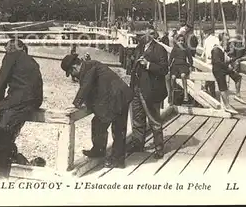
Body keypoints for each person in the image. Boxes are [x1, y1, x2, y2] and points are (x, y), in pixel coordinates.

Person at [61, 54, 133, 168]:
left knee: (118, 130)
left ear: (74, 67)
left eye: (71, 72)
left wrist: (76, 103)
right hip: (116, 97)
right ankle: (98, 150)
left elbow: (86, 87)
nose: (73, 76)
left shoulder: (90, 67)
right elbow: (93, 89)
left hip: (119, 97)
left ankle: (117, 160)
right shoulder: (89, 67)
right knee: (98, 123)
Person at [0, 39, 43, 178]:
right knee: (6, 126)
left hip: (18, 99)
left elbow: (1, 80)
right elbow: (38, 85)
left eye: (6, 49)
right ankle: (7, 150)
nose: (6, 52)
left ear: (11, 48)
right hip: (34, 101)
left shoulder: (11, 56)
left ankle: (0, 170)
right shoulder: (32, 61)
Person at [128, 24, 168, 159]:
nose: (148, 36)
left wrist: (149, 65)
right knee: (137, 119)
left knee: (154, 120)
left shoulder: (160, 49)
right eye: (145, 33)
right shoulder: (139, 48)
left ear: (154, 34)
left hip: (150, 90)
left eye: (151, 33)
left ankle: (159, 148)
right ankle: (137, 145)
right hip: (136, 88)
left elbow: (164, 70)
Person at [211, 33, 239, 114]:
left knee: (236, 78)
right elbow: (216, 61)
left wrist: (230, 61)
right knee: (223, 87)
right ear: (221, 41)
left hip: (222, 69)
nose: (228, 42)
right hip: (218, 70)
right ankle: (227, 105)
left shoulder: (221, 49)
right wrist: (227, 67)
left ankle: (237, 95)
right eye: (226, 40)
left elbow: (224, 59)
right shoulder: (216, 49)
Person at [169, 34, 194, 105]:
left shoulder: (186, 48)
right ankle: (172, 94)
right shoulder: (175, 48)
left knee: (183, 75)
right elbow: (171, 58)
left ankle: (185, 94)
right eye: (179, 40)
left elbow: (190, 58)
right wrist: (168, 65)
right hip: (175, 65)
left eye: (182, 40)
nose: (180, 42)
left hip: (183, 65)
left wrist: (190, 66)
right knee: (173, 77)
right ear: (177, 41)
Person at [200, 26, 218, 97]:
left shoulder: (213, 39)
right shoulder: (208, 39)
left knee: (211, 76)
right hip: (209, 60)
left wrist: (203, 56)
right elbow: (205, 50)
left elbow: (216, 48)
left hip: (212, 60)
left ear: (207, 33)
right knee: (210, 76)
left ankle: (211, 92)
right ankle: (208, 88)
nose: (204, 35)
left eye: (204, 34)